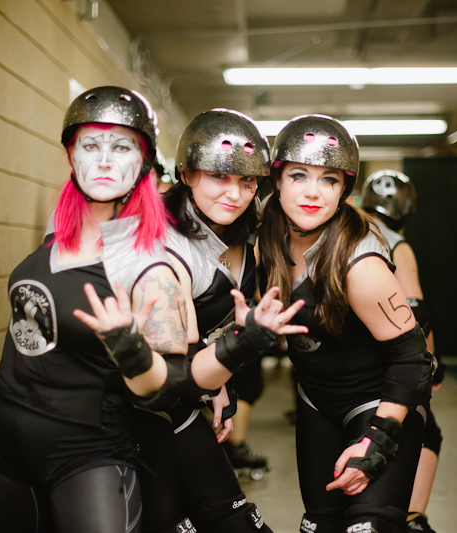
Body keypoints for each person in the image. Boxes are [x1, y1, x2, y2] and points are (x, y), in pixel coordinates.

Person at [0, 86, 190, 532]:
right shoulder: (56, 234)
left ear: (144, 162)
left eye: (122, 146)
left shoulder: (148, 268)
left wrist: (128, 345)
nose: (105, 159)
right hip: (1, 444)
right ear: (71, 155)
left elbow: (167, 388)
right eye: (91, 145)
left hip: (84, 455)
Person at [259, 115, 433, 533]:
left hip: (377, 402)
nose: (313, 192)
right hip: (316, 399)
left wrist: (378, 441)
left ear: (344, 190)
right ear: (277, 180)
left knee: (366, 527)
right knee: (320, 524)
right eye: (299, 175)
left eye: (330, 180)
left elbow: (414, 362)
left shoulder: (360, 262)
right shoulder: (264, 233)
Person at [141, 108, 296, 532]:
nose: (234, 193)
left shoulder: (252, 232)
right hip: (139, 408)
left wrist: (218, 383)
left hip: (188, 393)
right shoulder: (160, 240)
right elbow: (164, 352)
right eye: (219, 178)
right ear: (188, 174)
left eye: (247, 182)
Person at [361, 170, 444, 533]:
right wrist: (430, 363)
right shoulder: (397, 243)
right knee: (427, 432)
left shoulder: (353, 231)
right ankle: (412, 517)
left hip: (351, 358)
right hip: (391, 358)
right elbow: (415, 312)